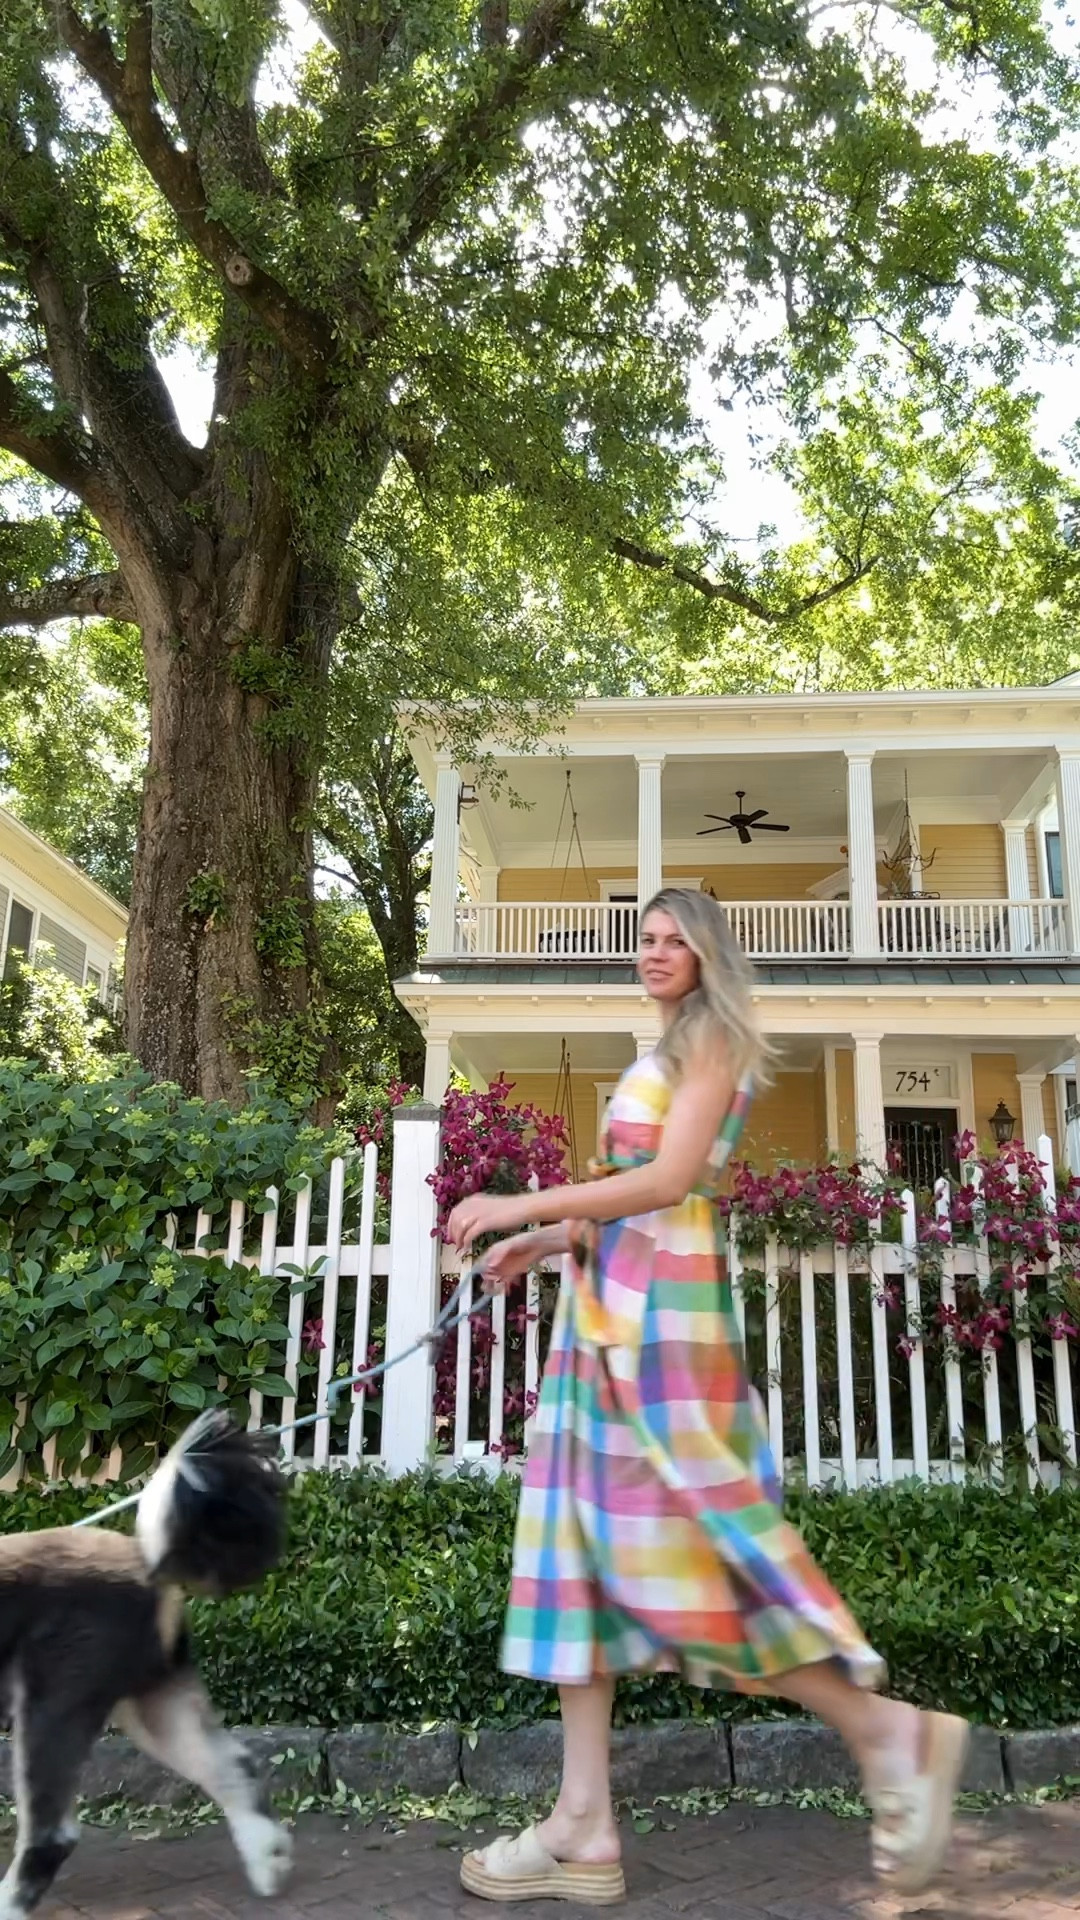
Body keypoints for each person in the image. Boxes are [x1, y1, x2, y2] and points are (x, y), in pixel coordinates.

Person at [447, 888, 968, 1906]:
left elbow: (667, 1181)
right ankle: (582, 1825)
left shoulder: (714, 1042)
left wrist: (525, 1199)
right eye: (643, 938)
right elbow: (629, 1200)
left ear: (707, 954)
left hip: (662, 1342)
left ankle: (887, 1731)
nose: (654, 952)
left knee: (683, 1569)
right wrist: (538, 1244)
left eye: (675, 940)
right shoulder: (658, 1053)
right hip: (602, 1330)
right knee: (577, 1564)